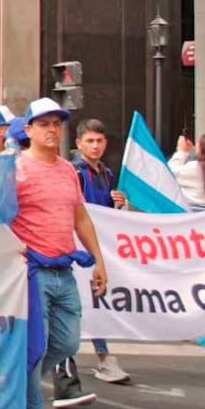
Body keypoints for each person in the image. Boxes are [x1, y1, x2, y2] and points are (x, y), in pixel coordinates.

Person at [12, 98, 108, 409]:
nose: (52, 129)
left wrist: (99, 260)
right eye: (44, 124)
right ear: (29, 130)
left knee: (67, 343)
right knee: (36, 346)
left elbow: (80, 217)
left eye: (56, 123)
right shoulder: (15, 169)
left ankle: (17, 385)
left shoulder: (68, 170)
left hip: (64, 269)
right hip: (32, 272)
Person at [69, 119, 130, 386]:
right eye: (90, 141)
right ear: (79, 143)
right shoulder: (75, 172)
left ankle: (101, 356)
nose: (95, 146)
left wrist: (118, 203)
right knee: (85, 301)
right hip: (77, 246)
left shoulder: (106, 173)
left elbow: (106, 212)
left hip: (96, 243)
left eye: (99, 141)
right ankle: (100, 356)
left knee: (94, 301)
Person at [168, 134, 205, 209]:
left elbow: (169, 172)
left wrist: (182, 151)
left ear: (200, 149)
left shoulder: (195, 167)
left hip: (192, 211)